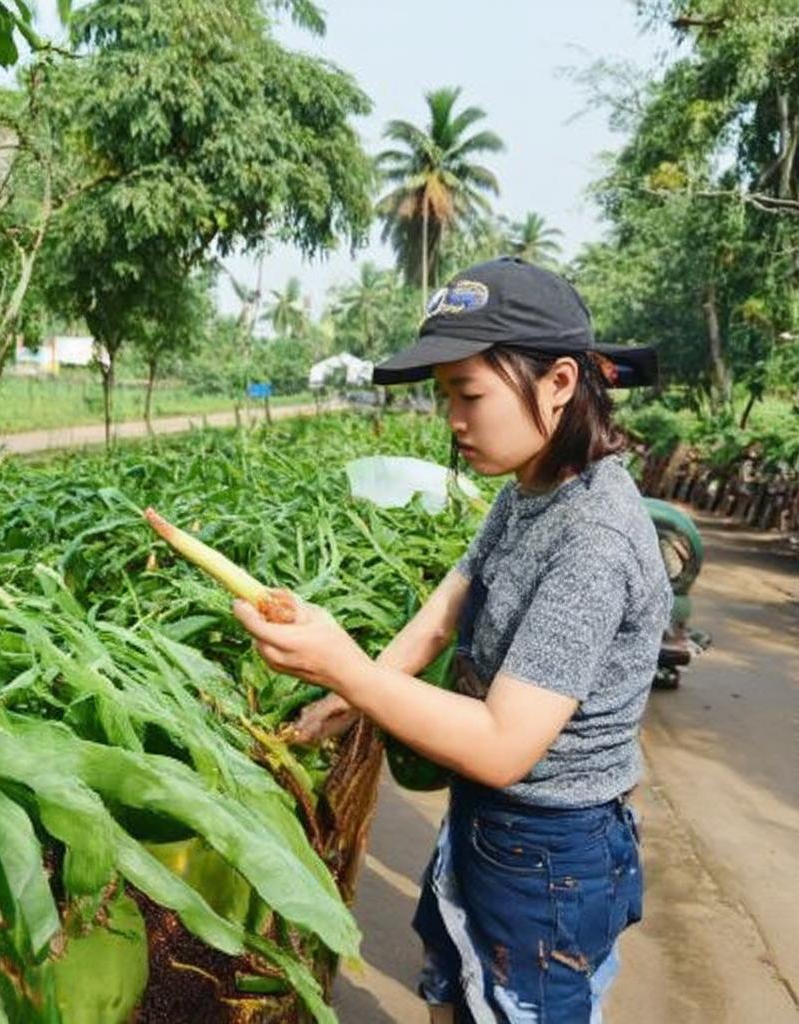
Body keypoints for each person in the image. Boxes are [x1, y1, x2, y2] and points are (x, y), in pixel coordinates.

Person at [233, 257, 673, 1024]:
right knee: (450, 986)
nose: (454, 421)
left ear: (560, 382)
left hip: (548, 855)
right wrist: (349, 691)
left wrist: (352, 671)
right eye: (446, 398)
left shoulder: (595, 540)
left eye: (469, 394)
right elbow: (448, 604)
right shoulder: (529, 489)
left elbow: (506, 743)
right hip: (488, 822)